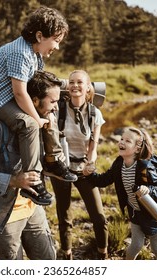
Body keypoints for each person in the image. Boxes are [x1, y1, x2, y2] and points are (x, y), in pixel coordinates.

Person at [0, 6, 77, 206]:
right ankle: (34, 180)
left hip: (6, 98)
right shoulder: (20, 52)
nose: (58, 47)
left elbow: (39, 82)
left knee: (50, 110)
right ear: (39, 35)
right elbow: (20, 92)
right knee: (29, 124)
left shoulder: (35, 55)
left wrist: (66, 85)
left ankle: (52, 160)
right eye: (56, 41)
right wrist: (36, 119)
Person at [0, 70, 63, 260]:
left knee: (48, 260)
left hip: (32, 208)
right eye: (53, 101)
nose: (57, 108)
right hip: (2, 216)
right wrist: (14, 180)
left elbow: (48, 164)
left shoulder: (39, 124)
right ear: (33, 100)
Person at [47, 70, 108, 260]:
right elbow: (49, 139)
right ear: (67, 86)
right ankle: (67, 254)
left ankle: (102, 253)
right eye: (71, 82)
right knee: (64, 215)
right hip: (61, 169)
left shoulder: (94, 113)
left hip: (83, 169)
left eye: (80, 82)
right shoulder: (58, 110)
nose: (75, 86)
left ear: (88, 87)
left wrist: (91, 163)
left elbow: (94, 146)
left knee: (99, 217)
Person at [91, 127, 157, 260]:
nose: (121, 142)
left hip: (152, 214)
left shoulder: (146, 167)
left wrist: (148, 189)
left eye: (128, 141)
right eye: (121, 139)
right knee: (135, 245)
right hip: (135, 212)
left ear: (137, 149)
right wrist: (90, 175)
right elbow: (104, 180)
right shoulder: (119, 164)